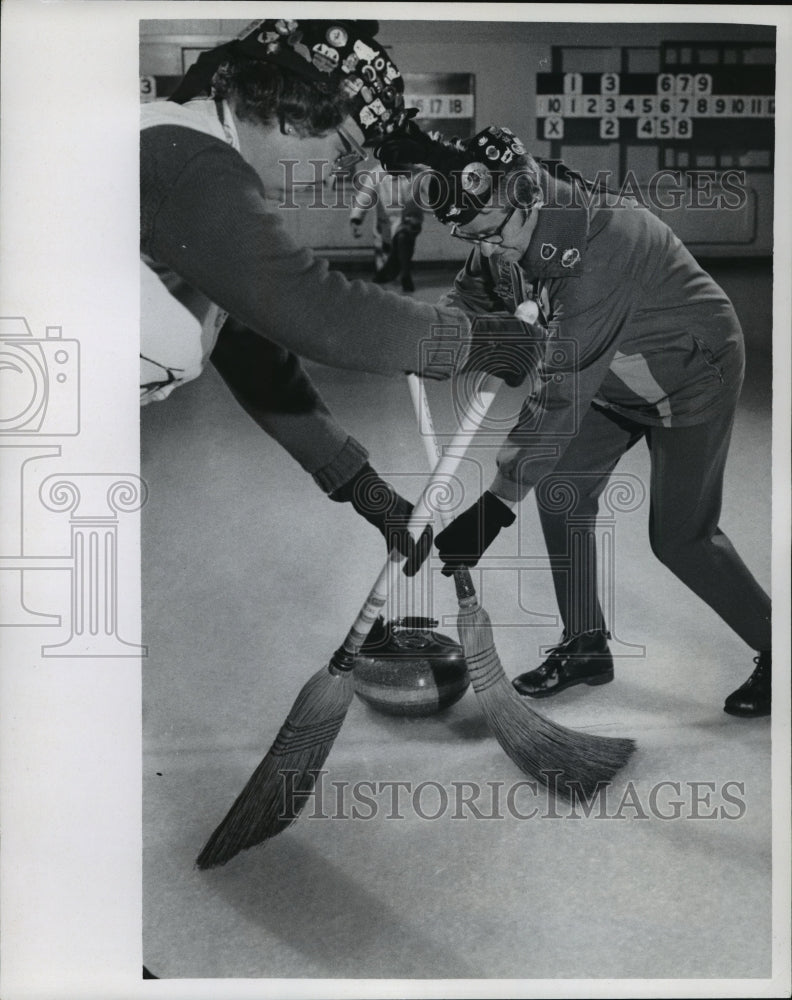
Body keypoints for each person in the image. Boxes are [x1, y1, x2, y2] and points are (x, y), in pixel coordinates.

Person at [378, 122, 772, 718]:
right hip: (613, 376)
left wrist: (491, 509)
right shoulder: (505, 223)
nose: (485, 249)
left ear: (527, 196)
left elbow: (560, 394)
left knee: (681, 538)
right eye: (471, 237)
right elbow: (474, 294)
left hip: (690, 372)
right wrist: (426, 339)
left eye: (490, 236)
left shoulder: (604, 244)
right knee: (562, 495)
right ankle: (586, 644)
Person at [140, 19, 526, 571]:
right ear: (292, 115)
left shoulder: (195, 157)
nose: (341, 173)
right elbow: (315, 310)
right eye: (344, 148)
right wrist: (482, 345)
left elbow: (249, 346)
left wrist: (368, 492)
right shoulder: (187, 157)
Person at [349, 171, 424, 291]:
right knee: (386, 272)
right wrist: (356, 219)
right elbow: (364, 197)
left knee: (403, 238)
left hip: (408, 220)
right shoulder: (376, 174)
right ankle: (392, 271)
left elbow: (432, 189)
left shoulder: (416, 172)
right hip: (385, 225)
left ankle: (405, 273)